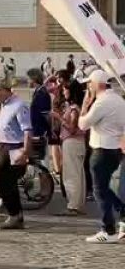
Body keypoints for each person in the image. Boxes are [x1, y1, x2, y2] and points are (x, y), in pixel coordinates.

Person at [78, 70, 125, 243]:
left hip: (102, 150)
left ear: (98, 84)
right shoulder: (118, 100)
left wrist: (85, 104)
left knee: (99, 190)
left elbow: (83, 124)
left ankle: (108, 230)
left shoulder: (102, 102)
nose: (88, 87)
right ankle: (123, 212)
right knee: (103, 187)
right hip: (115, 150)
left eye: (89, 83)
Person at [0, 80, 32, 230]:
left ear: (3, 90)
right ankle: (17, 215)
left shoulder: (19, 105)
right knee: (9, 182)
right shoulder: (4, 105)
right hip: (4, 145)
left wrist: (26, 151)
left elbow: (27, 130)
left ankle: (13, 214)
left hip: (15, 147)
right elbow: (2, 127)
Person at [55, 84, 86, 216]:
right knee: (78, 173)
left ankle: (73, 205)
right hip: (77, 143)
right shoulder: (76, 108)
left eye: (65, 90)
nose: (63, 91)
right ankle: (77, 204)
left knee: (71, 174)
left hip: (72, 142)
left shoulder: (74, 109)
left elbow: (72, 128)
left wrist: (59, 118)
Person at [27, 68, 51, 162]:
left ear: (34, 79)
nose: (27, 81)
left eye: (29, 78)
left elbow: (46, 114)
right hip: (37, 130)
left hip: (41, 132)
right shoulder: (37, 92)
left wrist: (47, 131)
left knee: (42, 161)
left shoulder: (42, 94)